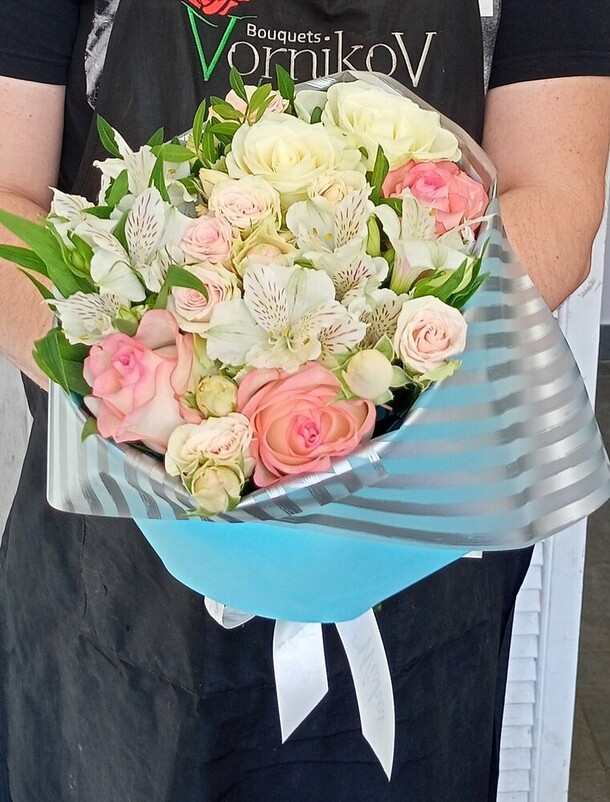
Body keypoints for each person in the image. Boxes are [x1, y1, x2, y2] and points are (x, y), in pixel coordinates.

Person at [0, 1, 609, 800]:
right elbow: (7, 196)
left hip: (416, 524)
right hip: (120, 547)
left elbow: (555, 201)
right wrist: (170, 392)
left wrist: (350, 374)